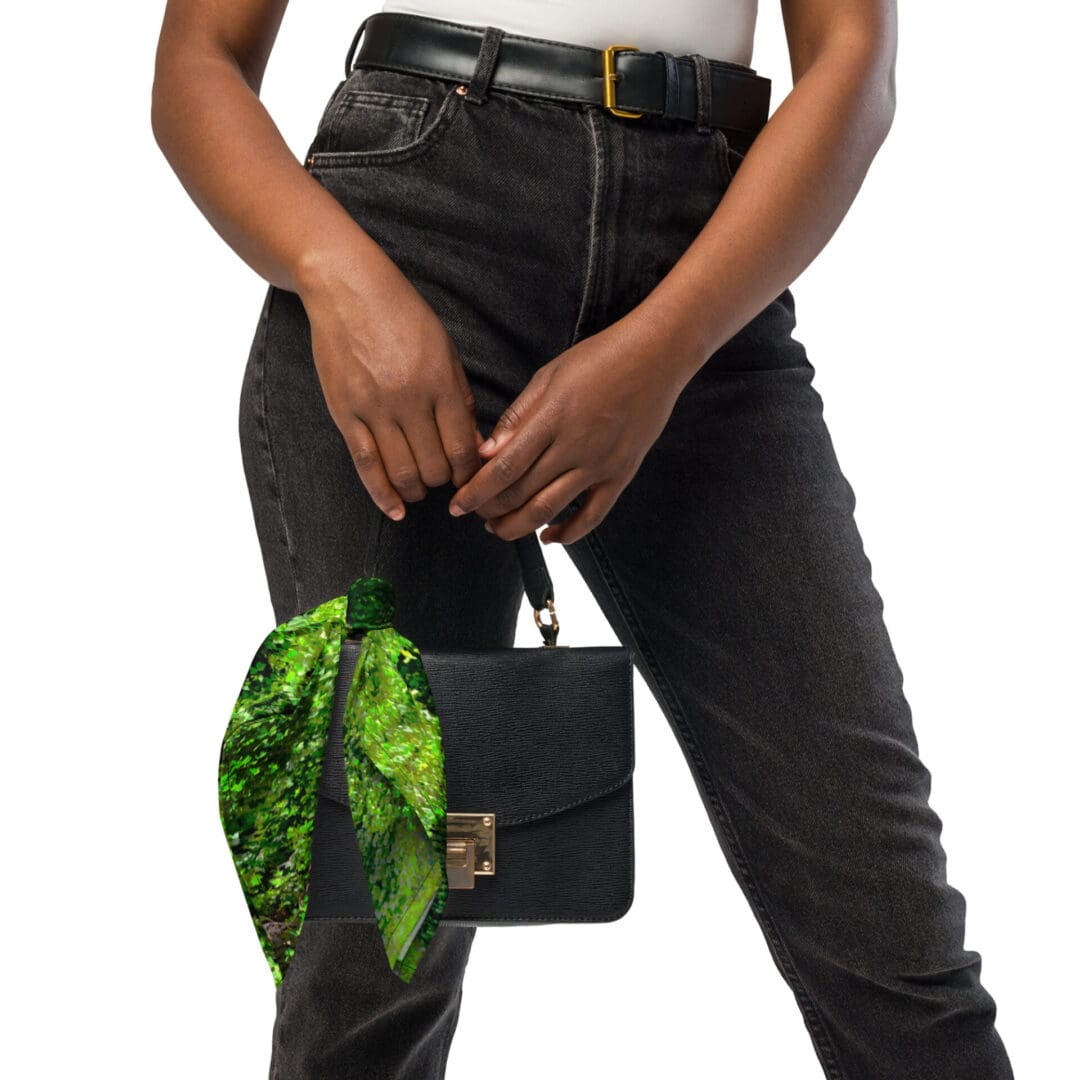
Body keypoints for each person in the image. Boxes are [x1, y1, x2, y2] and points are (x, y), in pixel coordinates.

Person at [151, 3, 1016, 1078]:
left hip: (710, 270)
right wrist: (336, 276)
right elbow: (197, 62)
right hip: (410, 259)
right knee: (376, 963)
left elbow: (852, 60)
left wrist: (665, 350)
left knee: (888, 932)